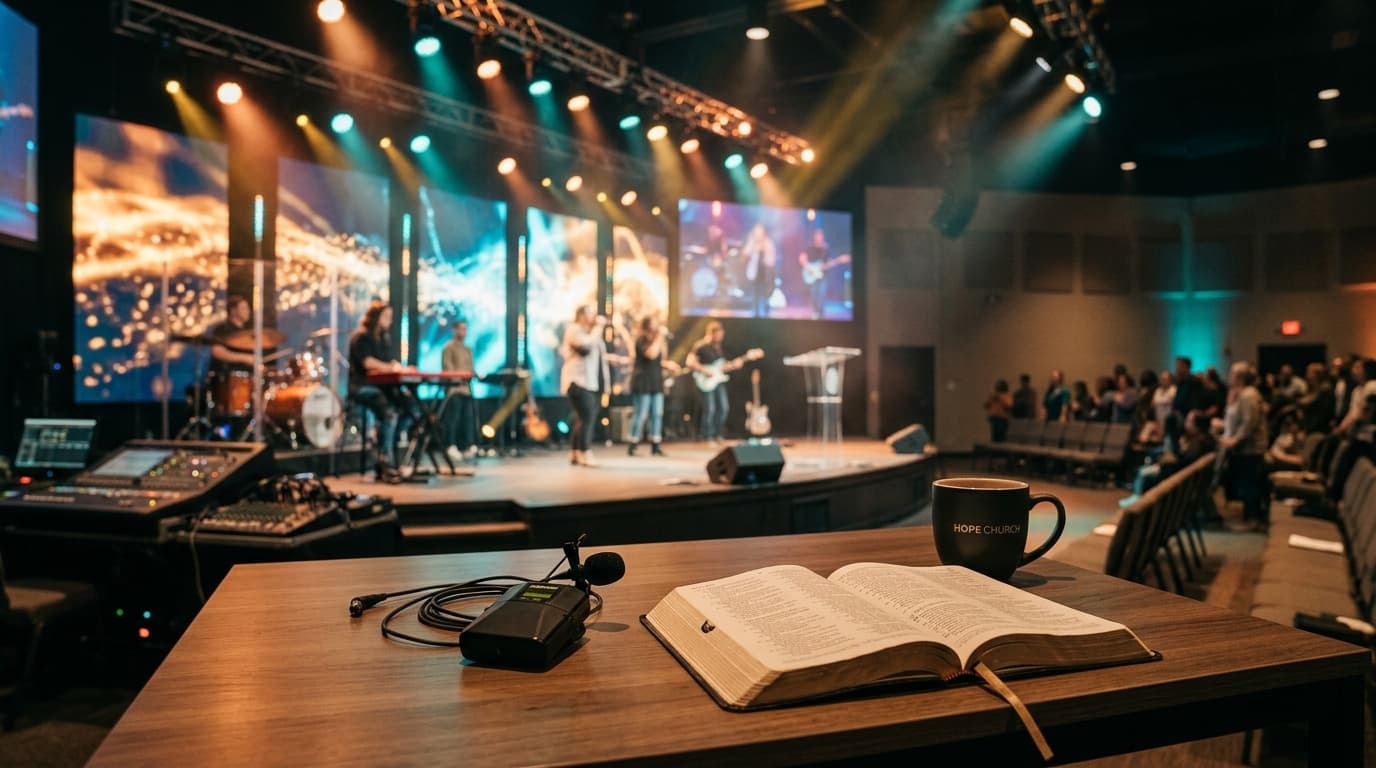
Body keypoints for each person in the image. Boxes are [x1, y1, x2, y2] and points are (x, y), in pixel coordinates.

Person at [348, 301, 410, 481]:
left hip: (382, 388)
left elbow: (388, 362)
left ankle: (385, 444)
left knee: (410, 409)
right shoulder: (362, 337)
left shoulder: (383, 338)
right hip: (362, 387)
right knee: (389, 413)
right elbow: (368, 363)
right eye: (386, 316)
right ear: (375, 317)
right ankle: (386, 458)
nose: (389, 321)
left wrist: (395, 367)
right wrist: (390, 368)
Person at [561, 305, 612, 467]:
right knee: (588, 416)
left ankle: (575, 452)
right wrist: (599, 327)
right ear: (581, 315)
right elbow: (587, 346)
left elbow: (598, 354)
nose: (594, 316)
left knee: (582, 418)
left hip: (589, 382)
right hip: (577, 381)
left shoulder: (589, 333)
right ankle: (585, 452)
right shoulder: (574, 329)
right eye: (590, 313)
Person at [1220, 361, 1268, 529]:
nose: (1229, 377)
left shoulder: (1248, 395)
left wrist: (1235, 440)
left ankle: (1253, 520)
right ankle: (1249, 517)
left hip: (1251, 448)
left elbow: (1250, 422)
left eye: (1231, 373)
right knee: (1245, 483)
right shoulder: (1241, 394)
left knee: (1250, 484)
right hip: (1244, 449)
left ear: (1239, 377)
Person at [627, 315, 680, 456]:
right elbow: (650, 354)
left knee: (657, 413)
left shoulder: (658, 341)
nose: (658, 325)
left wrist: (667, 364)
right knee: (641, 413)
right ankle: (633, 443)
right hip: (643, 381)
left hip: (656, 381)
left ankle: (655, 444)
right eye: (654, 322)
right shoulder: (640, 340)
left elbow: (657, 360)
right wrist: (660, 337)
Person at [687, 321, 744, 445]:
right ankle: (707, 436)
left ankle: (717, 434)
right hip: (705, 382)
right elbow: (690, 362)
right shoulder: (700, 346)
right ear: (712, 333)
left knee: (724, 408)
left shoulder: (718, 348)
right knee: (710, 409)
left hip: (718, 382)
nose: (720, 337)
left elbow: (721, 367)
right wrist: (704, 370)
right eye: (718, 334)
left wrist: (735, 365)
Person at [440, 319, 477, 464]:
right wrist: (462, 374)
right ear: (454, 330)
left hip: (466, 389)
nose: (463, 332)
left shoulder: (468, 349)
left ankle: (467, 446)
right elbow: (447, 369)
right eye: (460, 329)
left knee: (467, 419)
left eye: (465, 329)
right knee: (452, 419)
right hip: (454, 390)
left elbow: (471, 368)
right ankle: (450, 445)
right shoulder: (449, 348)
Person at [798, 228, 846, 320]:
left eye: (821, 236)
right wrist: (809, 268)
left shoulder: (825, 249)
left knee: (821, 294)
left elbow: (828, 262)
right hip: (811, 275)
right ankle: (816, 313)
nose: (819, 238)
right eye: (817, 236)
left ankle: (821, 315)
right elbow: (802, 258)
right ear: (814, 237)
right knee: (814, 294)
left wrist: (839, 260)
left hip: (822, 276)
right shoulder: (810, 248)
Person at [742, 223, 778, 318]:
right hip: (754, 273)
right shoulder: (752, 242)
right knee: (754, 294)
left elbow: (772, 260)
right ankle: (754, 314)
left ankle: (763, 315)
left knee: (764, 295)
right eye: (756, 231)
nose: (758, 233)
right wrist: (752, 244)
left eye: (759, 231)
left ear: (763, 232)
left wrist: (764, 251)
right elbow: (745, 252)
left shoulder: (768, 243)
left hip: (765, 274)